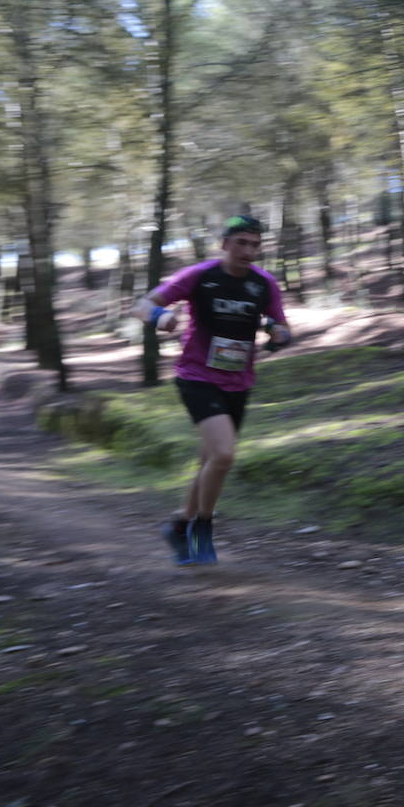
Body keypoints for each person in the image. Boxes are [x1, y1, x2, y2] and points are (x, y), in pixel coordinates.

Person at [131, 215, 291, 565]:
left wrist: (278, 335)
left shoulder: (264, 284)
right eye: (241, 243)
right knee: (224, 455)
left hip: (239, 381)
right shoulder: (200, 276)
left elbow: (281, 326)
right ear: (224, 244)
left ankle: (179, 525)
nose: (248, 251)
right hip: (196, 376)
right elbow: (142, 305)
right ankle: (202, 528)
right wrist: (160, 318)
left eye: (255, 244)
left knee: (210, 461)